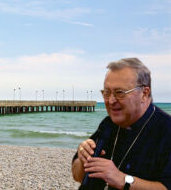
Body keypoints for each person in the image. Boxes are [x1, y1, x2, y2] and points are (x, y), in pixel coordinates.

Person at [71, 58, 171, 190]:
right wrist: (83, 158)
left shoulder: (166, 131)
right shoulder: (108, 124)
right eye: (106, 92)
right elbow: (77, 176)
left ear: (144, 94)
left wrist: (122, 180)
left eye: (119, 93)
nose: (111, 100)